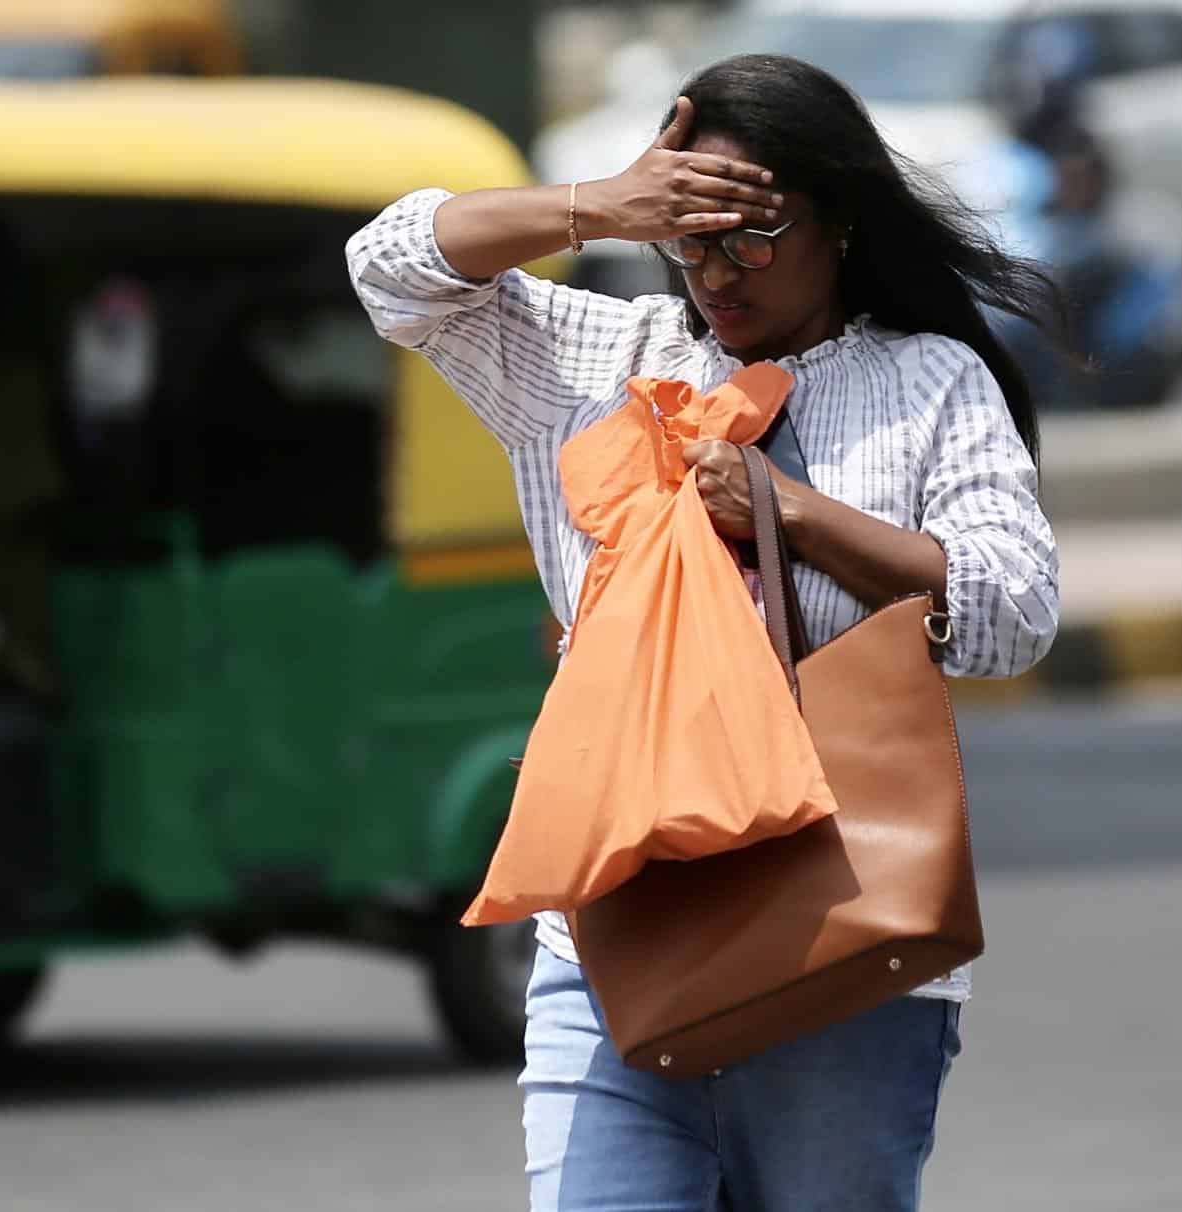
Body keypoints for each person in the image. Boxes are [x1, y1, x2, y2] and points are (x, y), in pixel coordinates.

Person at [348, 54, 1061, 1211]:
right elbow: (389, 269)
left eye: (753, 235)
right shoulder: (597, 359)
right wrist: (599, 207)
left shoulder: (932, 381)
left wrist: (790, 511)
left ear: (839, 217)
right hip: (615, 938)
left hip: (841, 938)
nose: (716, 272)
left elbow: (1010, 611)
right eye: (690, 237)